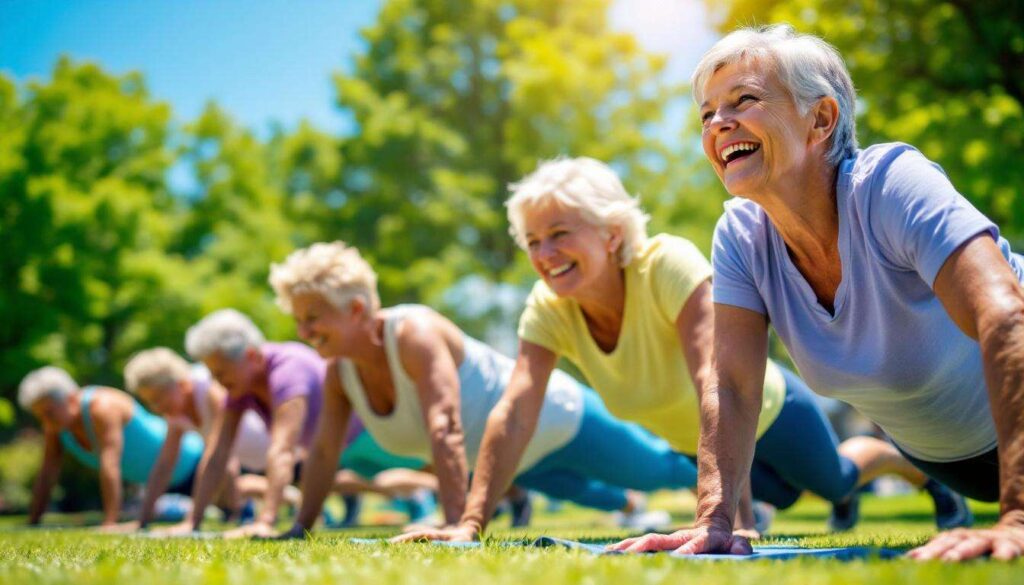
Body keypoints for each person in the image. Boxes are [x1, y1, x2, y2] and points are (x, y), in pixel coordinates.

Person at [399, 156, 964, 544]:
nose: (545, 253)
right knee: (787, 502)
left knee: (835, 479)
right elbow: (516, 408)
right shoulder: (548, 308)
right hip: (703, 449)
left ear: (611, 233)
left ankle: (914, 474)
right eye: (534, 241)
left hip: (764, 410)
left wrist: (730, 523)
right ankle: (821, 495)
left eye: (561, 233)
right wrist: (470, 522)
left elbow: (715, 379)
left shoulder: (666, 263)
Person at [615, 24, 1024, 561]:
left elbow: (1006, 316)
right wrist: (714, 518)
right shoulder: (740, 237)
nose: (719, 123)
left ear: (821, 120)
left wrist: (1017, 515)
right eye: (707, 114)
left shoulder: (891, 185)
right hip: (955, 462)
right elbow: (733, 386)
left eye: (744, 100)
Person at [266, 242, 699, 539]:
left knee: (659, 470)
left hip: (556, 418)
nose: (303, 331)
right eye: (299, 320)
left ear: (356, 308)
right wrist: (300, 525)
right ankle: (639, 508)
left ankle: (740, 494)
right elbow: (323, 453)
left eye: (312, 317)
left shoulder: (414, 332)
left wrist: (458, 524)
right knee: (592, 493)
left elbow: (445, 426)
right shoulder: (340, 375)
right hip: (507, 462)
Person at [157, 309, 325, 538]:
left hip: (369, 445)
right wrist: (191, 522)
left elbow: (282, 449)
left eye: (221, 372)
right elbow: (218, 454)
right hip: (340, 454)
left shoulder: (288, 368)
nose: (217, 382)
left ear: (252, 356)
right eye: (211, 374)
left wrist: (265, 521)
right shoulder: (240, 387)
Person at [18, 366, 203, 529]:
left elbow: (110, 464)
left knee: (223, 509)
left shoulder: (103, 407)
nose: (45, 422)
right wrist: (33, 521)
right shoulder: (56, 426)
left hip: (194, 463)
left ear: (71, 399)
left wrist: (110, 522)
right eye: (39, 416)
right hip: (158, 485)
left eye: (49, 412)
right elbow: (48, 472)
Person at [123, 347, 279, 529]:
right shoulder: (176, 415)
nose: (156, 407)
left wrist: (192, 521)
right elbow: (164, 466)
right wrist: (143, 520)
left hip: (269, 445)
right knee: (233, 484)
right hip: (245, 458)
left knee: (228, 475)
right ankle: (269, 502)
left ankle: (255, 507)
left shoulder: (208, 388)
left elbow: (219, 452)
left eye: (159, 398)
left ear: (181, 384)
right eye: (150, 402)